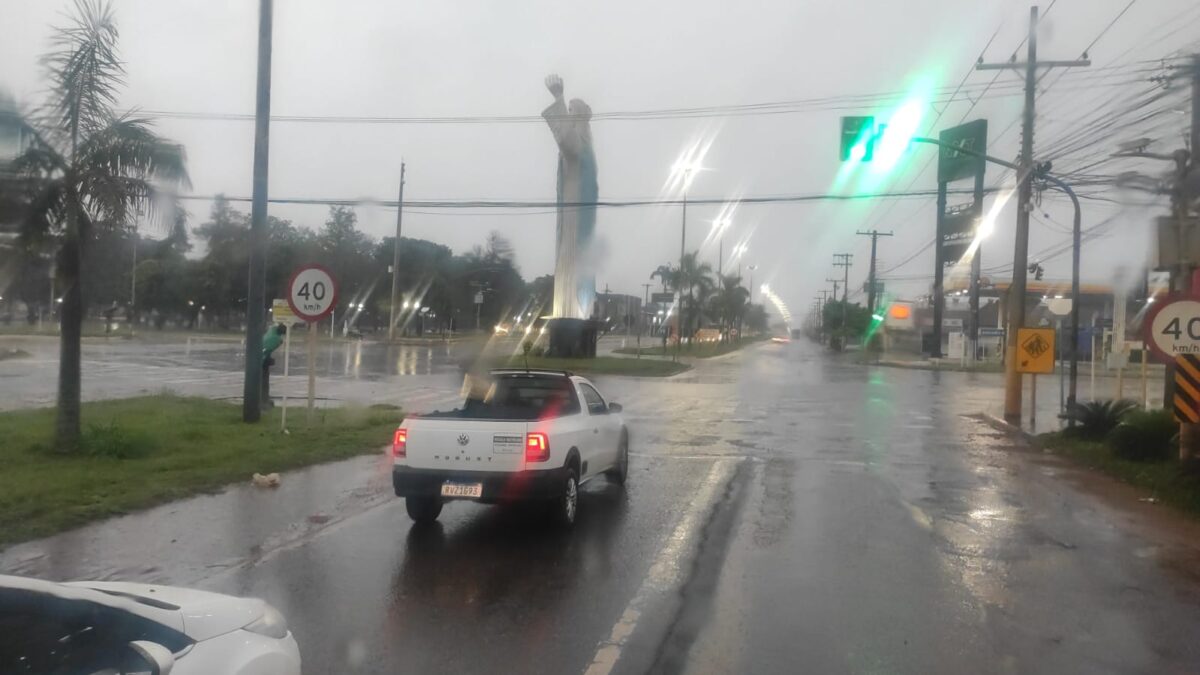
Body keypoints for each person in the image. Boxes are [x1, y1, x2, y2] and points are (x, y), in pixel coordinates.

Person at [261, 323, 287, 410]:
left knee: (262, 381)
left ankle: (264, 399)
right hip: (262, 360)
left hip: (261, 357)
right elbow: (266, 349)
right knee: (263, 381)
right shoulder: (277, 339)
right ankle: (263, 400)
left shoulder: (271, 330)